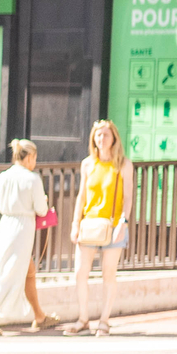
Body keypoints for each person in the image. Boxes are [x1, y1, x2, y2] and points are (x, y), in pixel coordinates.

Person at [0, 139, 54, 336]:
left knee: (27, 270)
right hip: (23, 228)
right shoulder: (32, 179)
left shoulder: (4, 176)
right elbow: (41, 209)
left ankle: (39, 316)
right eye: (34, 158)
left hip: (6, 224)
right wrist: (43, 202)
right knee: (9, 275)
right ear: (29, 157)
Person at [63, 119, 134, 336]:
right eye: (98, 135)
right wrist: (75, 223)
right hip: (90, 224)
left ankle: (104, 320)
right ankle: (83, 318)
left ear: (114, 139)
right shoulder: (88, 164)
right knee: (80, 273)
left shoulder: (123, 164)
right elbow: (82, 196)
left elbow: (129, 197)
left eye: (106, 135)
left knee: (108, 274)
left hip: (113, 225)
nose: (101, 139)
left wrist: (123, 222)